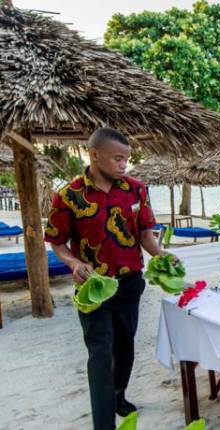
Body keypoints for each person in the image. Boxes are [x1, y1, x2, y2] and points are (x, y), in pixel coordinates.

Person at [45, 127, 165, 430]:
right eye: (117, 158)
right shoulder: (68, 195)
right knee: (99, 353)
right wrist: (73, 262)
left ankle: (118, 394)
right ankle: (103, 423)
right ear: (94, 155)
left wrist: (162, 255)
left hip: (129, 284)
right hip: (93, 288)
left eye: (126, 159)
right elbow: (57, 242)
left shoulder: (137, 190)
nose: (124, 165)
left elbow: (146, 236)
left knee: (125, 347)